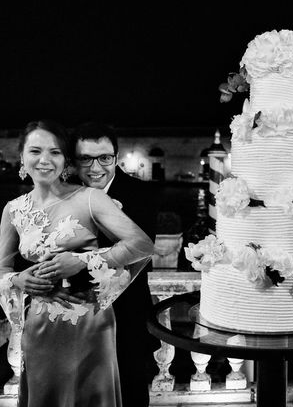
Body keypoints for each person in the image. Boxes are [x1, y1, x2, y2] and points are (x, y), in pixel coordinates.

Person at [0, 119, 154, 406]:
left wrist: (81, 261)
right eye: (35, 151)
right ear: (21, 156)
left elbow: (142, 247)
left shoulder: (98, 197)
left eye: (55, 152)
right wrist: (19, 280)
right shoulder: (13, 209)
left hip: (100, 320)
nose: (44, 160)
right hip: (41, 326)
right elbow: (4, 267)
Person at [72, 121, 160, 407]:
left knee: (131, 395)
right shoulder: (64, 194)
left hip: (127, 320)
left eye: (105, 158)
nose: (95, 168)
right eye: (85, 158)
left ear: (116, 157)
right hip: (73, 322)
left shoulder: (143, 194)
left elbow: (137, 256)